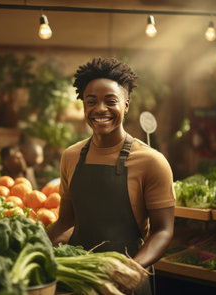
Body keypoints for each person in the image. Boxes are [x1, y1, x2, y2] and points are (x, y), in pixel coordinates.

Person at [47, 57, 175, 295]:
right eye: (91, 101)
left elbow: (163, 230)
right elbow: (66, 221)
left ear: (126, 105)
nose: (100, 109)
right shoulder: (70, 156)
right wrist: (36, 247)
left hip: (127, 283)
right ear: (84, 105)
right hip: (77, 278)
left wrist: (131, 269)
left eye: (110, 101)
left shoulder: (152, 162)